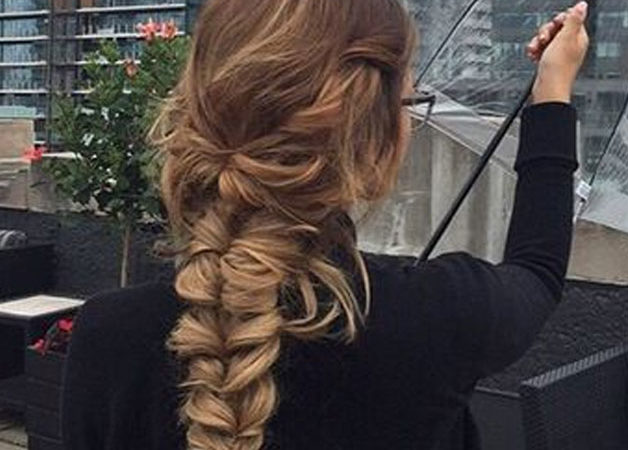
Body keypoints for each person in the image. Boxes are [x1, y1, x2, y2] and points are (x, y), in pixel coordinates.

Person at [62, 0, 589, 449]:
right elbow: (538, 272)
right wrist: (552, 92)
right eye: (409, 102)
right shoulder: (440, 318)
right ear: (376, 140)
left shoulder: (107, 339)